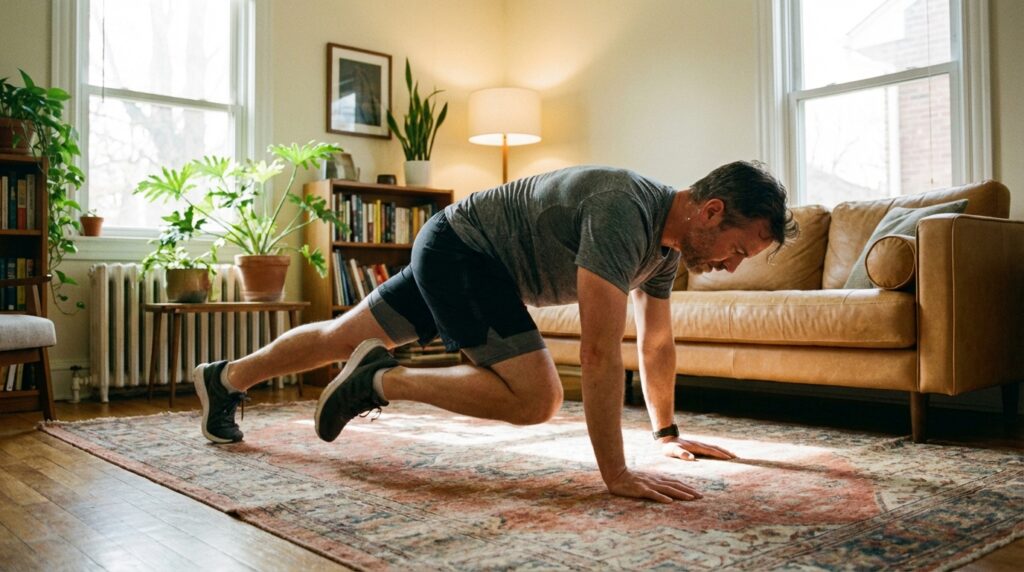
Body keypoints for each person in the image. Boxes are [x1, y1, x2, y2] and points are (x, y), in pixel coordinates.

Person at [193, 161, 798, 503]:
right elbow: (596, 351)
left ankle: (224, 379)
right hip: (466, 252)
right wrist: (616, 473)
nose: (731, 265)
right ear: (711, 211)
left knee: (340, 337)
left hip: (463, 251)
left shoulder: (664, 252)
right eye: (736, 249)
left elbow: (656, 343)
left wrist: (665, 432)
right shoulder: (625, 212)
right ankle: (383, 379)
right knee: (539, 397)